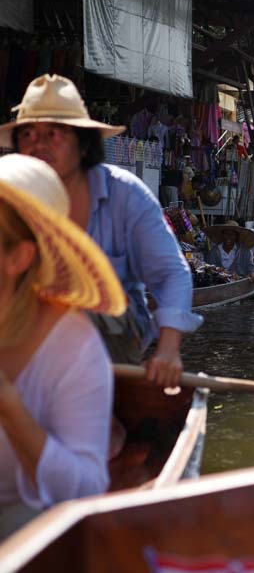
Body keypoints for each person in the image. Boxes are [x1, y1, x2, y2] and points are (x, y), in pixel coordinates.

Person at [7, 75, 199, 388]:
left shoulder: (125, 194)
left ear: (83, 145)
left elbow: (171, 274)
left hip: (110, 335)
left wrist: (168, 350)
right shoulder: (10, 199)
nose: (39, 145)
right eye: (28, 134)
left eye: (53, 134)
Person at [0, 154, 127, 537]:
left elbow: (86, 489)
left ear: (18, 257)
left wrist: (9, 405)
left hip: (24, 525)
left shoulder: (73, 347)